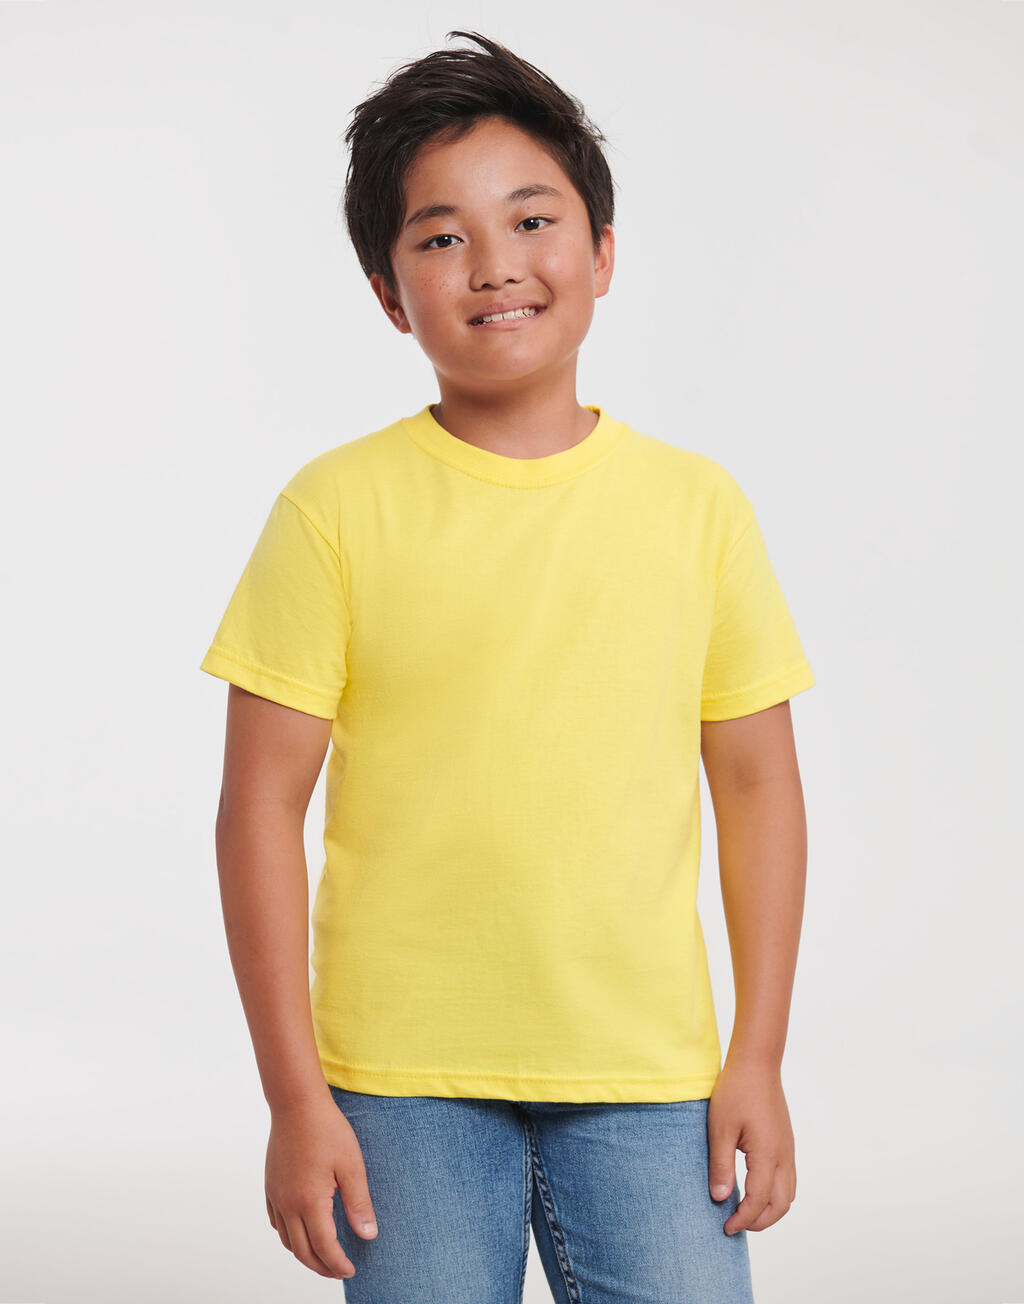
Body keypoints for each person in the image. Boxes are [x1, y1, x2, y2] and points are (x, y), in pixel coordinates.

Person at [199, 29, 815, 1304]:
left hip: (647, 1068)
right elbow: (258, 805)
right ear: (389, 292)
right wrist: (294, 1096)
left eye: (532, 220)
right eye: (440, 237)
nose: (493, 265)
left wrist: (755, 1053)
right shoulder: (334, 509)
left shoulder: (698, 508)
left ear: (601, 251)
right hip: (399, 1075)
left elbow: (758, 784)